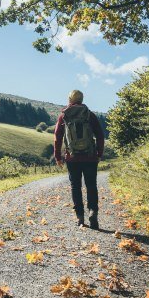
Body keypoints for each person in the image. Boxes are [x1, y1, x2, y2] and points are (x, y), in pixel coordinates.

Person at [54, 90, 105, 229]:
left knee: (75, 186)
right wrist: (99, 153)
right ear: (82, 99)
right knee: (91, 186)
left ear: (69, 99)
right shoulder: (90, 115)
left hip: (72, 157)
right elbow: (100, 136)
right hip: (90, 156)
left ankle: (80, 217)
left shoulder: (63, 116)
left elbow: (57, 138)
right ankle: (93, 211)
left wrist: (58, 157)